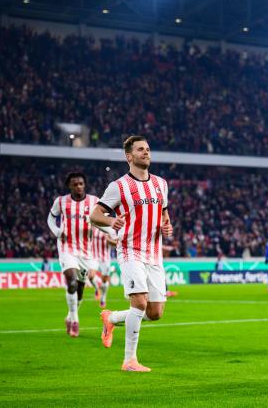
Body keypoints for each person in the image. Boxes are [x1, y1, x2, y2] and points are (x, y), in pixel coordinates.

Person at [90, 135, 173, 372]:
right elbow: (95, 215)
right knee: (139, 301)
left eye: (147, 149)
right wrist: (111, 222)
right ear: (129, 156)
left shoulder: (161, 183)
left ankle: (112, 318)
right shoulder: (118, 186)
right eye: (140, 149)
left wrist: (167, 226)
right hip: (130, 250)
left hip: (154, 254)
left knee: (155, 312)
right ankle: (129, 360)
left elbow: (164, 215)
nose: (146, 152)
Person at [47, 172, 100, 337]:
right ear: (69, 186)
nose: (78, 186)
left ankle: (69, 315)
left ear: (84, 185)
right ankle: (75, 320)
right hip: (66, 247)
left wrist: (112, 232)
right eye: (75, 184)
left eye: (81, 184)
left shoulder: (94, 202)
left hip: (86, 251)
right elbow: (51, 218)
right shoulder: (61, 201)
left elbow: (101, 221)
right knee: (71, 281)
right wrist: (57, 231)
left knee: (80, 289)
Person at [92, 226, 118, 308]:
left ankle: (103, 298)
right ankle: (96, 288)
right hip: (93, 256)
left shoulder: (110, 230)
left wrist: (108, 240)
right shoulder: (93, 226)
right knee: (90, 276)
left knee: (104, 281)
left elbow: (116, 244)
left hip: (105, 258)